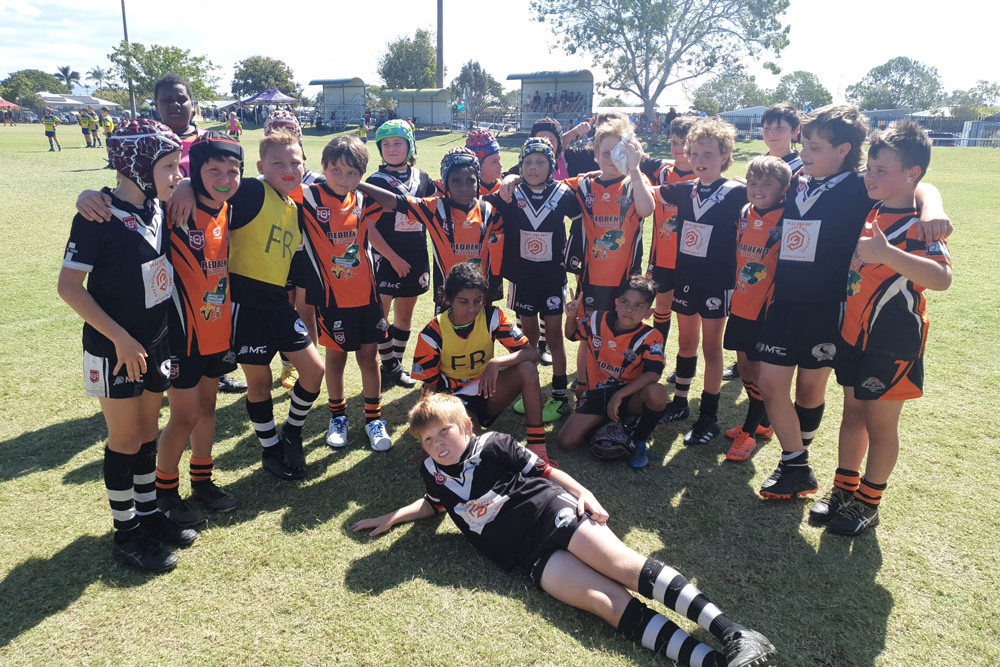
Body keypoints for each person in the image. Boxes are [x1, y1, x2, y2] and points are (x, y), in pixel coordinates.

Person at [352, 392, 777, 667]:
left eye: (444, 432)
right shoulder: (432, 472)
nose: (437, 444)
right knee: (603, 603)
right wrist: (392, 518)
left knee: (622, 566)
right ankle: (713, 663)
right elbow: (435, 506)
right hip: (526, 554)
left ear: (465, 426)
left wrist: (585, 492)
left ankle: (735, 633)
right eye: (427, 440)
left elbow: (546, 470)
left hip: (550, 511)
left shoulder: (494, 443)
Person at [755, 105, 950, 500]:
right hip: (784, 300)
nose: (804, 151)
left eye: (814, 145)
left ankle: (810, 468)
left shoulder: (863, 183)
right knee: (770, 383)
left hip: (831, 308)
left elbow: (920, 183)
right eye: (803, 144)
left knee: (810, 392)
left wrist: (934, 206)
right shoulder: (797, 176)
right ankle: (796, 462)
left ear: (844, 149)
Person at [57, 118, 197, 571]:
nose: (177, 175)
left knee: (146, 433)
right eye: (170, 166)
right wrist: (119, 339)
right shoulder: (94, 215)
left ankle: (149, 514)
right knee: (123, 439)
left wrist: (186, 184)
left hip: (154, 341)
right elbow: (69, 288)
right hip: (113, 346)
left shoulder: (156, 208)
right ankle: (126, 534)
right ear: (137, 165)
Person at [812, 121, 952, 535]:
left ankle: (869, 502)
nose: (870, 177)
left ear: (911, 174)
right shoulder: (874, 207)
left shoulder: (921, 224)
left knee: (880, 424)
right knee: (852, 413)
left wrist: (887, 253)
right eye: (869, 167)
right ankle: (843, 488)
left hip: (892, 342)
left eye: (881, 170)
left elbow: (942, 278)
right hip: (855, 334)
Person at [76, 75, 248, 394]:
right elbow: (126, 188)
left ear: (193, 103)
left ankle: (212, 372)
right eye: (166, 100)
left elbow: (228, 180)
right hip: (162, 245)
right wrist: (88, 193)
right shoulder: (146, 137)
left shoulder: (208, 140)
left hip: (207, 249)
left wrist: (185, 185)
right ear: (156, 105)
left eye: (181, 98)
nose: (175, 105)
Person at [154, 133, 244, 526]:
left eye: (232, 171)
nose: (225, 178)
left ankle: (202, 481)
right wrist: (186, 184)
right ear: (197, 171)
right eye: (214, 171)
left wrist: (195, 182)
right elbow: (134, 197)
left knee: (207, 409)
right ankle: (164, 493)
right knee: (183, 416)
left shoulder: (228, 209)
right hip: (181, 336)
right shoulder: (174, 208)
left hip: (216, 331)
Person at [297, 136, 392, 452]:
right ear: (323, 167)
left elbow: (386, 213)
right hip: (331, 299)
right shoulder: (307, 197)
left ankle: (373, 419)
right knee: (336, 359)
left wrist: (393, 257)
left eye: (352, 173)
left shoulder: (363, 199)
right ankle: (337, 417)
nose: (343, 178)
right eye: (336, 170)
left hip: (366, 295)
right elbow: (268, 187)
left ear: (361, 175)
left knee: (369, 357)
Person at [655, 117, 746, 446]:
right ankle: (680, 402)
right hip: (686, 278)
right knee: (686, 343)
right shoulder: (683, 189)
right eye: (694, 153)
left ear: (724, 155)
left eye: (708, 153)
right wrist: (634, 167)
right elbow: (644, 192)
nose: (699, 160)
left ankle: (708, 416)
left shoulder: (737, 192)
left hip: (717, 282)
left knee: (711, 347)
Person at [410, 262, 553, 464]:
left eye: (478, 300)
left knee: (527, 369)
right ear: (448, 299)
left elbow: (531, 353)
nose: (472, 308)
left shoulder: (491, 316)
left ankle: (538, 446)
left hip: (488, 390)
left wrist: (496, 362)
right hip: (455, 401)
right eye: (463, 302)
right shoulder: (433, 333)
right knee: (473, 452)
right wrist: (429, 434)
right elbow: (430, 388)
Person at [487, 137, 581, 423]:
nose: (533, 167)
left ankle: (559, 395)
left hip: (552, 277)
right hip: (521, 278)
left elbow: (581, 223)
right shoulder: (511, 192)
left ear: (551, 166)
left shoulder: (563, 193)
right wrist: (507, 180)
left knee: (553, 337)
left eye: (540, 162)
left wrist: (576, 265)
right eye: (527, 162)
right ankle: (530, 392)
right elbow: (481, 208)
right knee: (527, 338)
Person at [358, 147, 503, 311]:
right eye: (456, 181)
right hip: (447, 298)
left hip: (479, 298)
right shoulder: (434, 208)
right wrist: (357, 183)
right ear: (445, 184)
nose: (464, 188)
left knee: (481, 336)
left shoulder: (490, 211)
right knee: (445, 335)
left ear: (478, 181)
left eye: (470, 181)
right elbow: (394, 201)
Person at [721, 156, 791, 462]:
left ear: (784, 189)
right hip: (742, 303)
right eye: (753, 183)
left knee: (761, 374)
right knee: (745, 366)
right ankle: (761, 424)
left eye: (767, 184)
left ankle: (749, 432)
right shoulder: (744, 212)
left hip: (768, 310)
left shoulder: (789, 218)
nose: (758, 189)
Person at [557, 276, 668, 468]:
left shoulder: (652, 336)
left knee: (657, 393)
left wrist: (620, 395)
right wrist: (570, 317)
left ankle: (639, 439)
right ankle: (610, 426)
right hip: (597, 394)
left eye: (638, 306)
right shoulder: (596, 320)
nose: (629, 309)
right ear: (616, 303)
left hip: (629, 396)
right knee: (566, 442)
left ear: (649, 313)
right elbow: (571, 335)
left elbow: (653, 374)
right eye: (625, 302)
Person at [365, 119, 435, 390]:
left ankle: (396, 363)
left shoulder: (424, 179)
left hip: (416, 256)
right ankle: (390, 365)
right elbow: (368, 226)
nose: (392, 149)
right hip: (385, 257)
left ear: (410, 145)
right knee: (380, 316)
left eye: (398, 143)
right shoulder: (374, 182)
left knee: (404, 314)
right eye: (386, 144)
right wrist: (392, 257)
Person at [641, 116, 697, 356]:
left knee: (688, 317)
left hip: (690, 260)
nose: (678, 149)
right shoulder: (661, 170)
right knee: (661, 306)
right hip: (661, 257)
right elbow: (634, 158)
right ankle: (658, 354)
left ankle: (686, 364)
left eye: (684, 144)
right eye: (674, 142)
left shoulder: (704, 176)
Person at [761, 103, 802, 174]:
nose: (771, 133)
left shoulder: (801, 167)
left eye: (779, 128)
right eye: (767, 128)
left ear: (795, 131)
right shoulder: (758, 166)